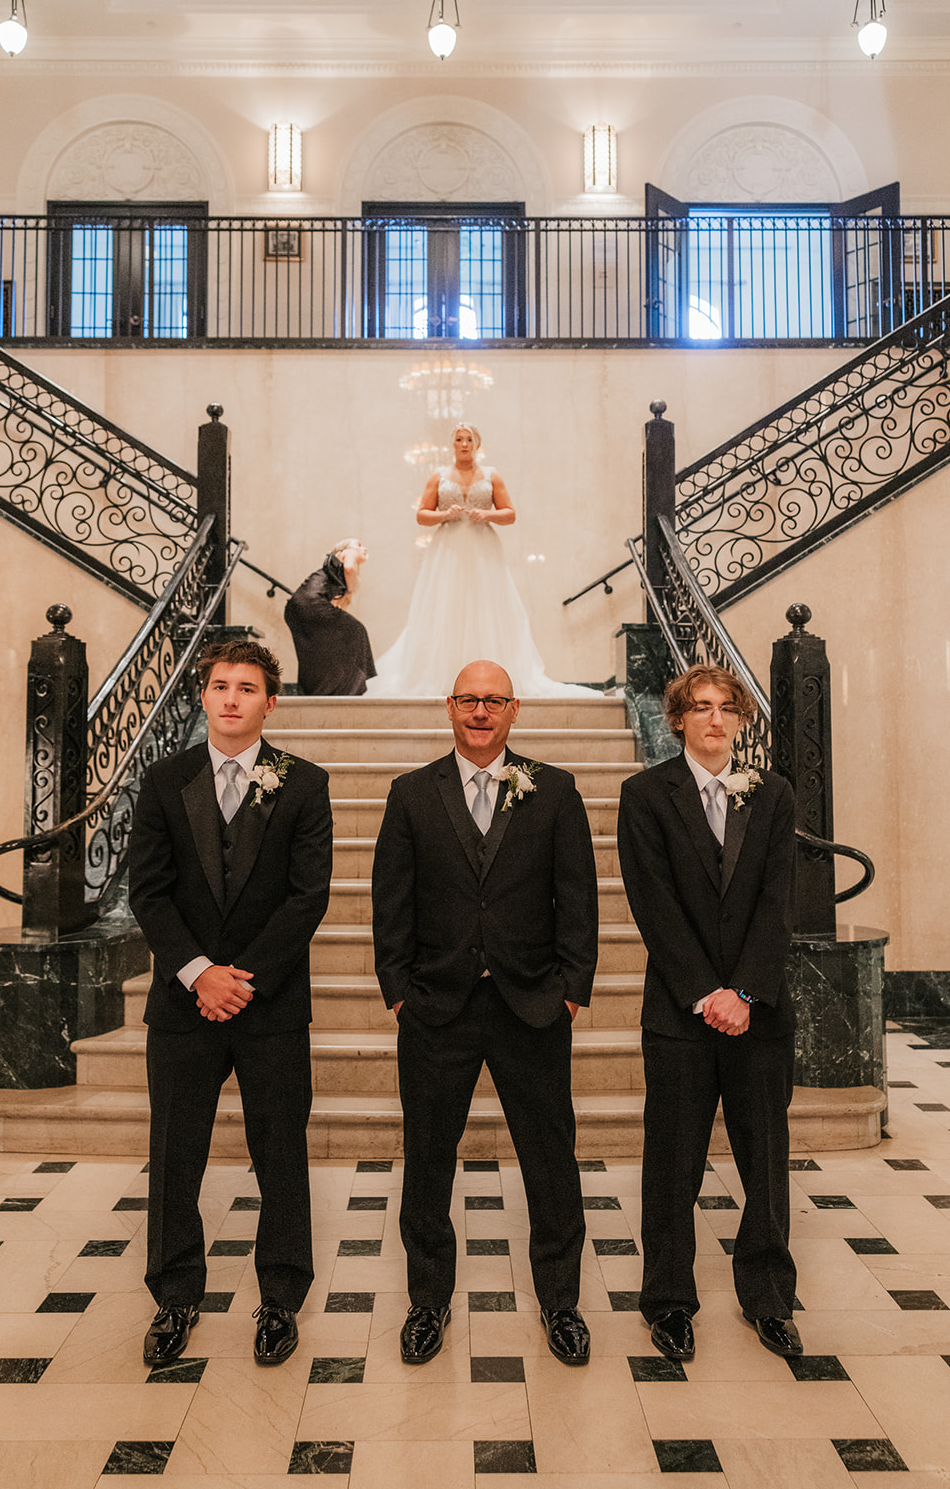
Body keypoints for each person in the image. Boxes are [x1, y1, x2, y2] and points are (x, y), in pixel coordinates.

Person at [372, 658, 599, 1367]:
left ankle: (561, 1302)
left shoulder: (555, 790)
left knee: (550, 1159)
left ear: (513, 709)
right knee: (429, 1159)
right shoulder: (410, 793)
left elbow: (579, 899)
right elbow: (390, 901)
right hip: (435, 1005)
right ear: (448, 707)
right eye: (468, 699)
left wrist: (570, 988)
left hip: (531, 1002)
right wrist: (399, 989)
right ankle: (427, 1301)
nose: (479, 711)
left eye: (492, 700)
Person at [128, 640, 332, 1369]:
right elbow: (147, 891)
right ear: (203, 696)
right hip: (183, 1005)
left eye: (247, 687)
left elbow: (308, 895)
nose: (232, 698)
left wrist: (240, 977)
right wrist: (195, 973)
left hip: (268, 1003)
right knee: (174, 1155)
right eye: (220, 685)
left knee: (280, 1152)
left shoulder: (303, 783)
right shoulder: (163, 779)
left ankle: (279, 1298)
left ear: (270, 702)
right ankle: (175, 1296)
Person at [616, 664, 800, 1364]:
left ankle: (768, 1298)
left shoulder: (774, 794)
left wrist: (744, 992)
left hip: (758, 1014)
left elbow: (777, 904)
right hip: (678, 1013)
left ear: (742, 720)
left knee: (765, 1162)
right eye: (700, 707)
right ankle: (667, 1300)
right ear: (677, 719)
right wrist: (705, 993)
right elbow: (652, 904)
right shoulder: (644, 795)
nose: (714, 719)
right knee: (672, 1163)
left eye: (727, 708)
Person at [368, 425, 601, 698]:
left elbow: (510, 514)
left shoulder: (491, 475)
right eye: (459, 439)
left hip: (482, 549)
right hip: (448, 549)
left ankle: (490, 677)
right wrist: (445, 515)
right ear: (452, 444)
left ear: (478, 444)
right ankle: (443, 673)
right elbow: (421, 515)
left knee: (485, 605)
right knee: (447, 605)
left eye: (469, 440)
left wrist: (486, 515)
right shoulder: (438, 475)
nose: (464, 444)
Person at [284, 538, 375, 696]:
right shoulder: (348, 552)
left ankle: (321, 690)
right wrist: (351, 588)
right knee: (357, 631)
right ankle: (348, 690)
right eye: (359, 545)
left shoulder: (331, 570)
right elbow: (349, 568)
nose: (364, 548)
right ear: (345, 548)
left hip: (294, 608)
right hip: (312, 603)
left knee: (317, 651)